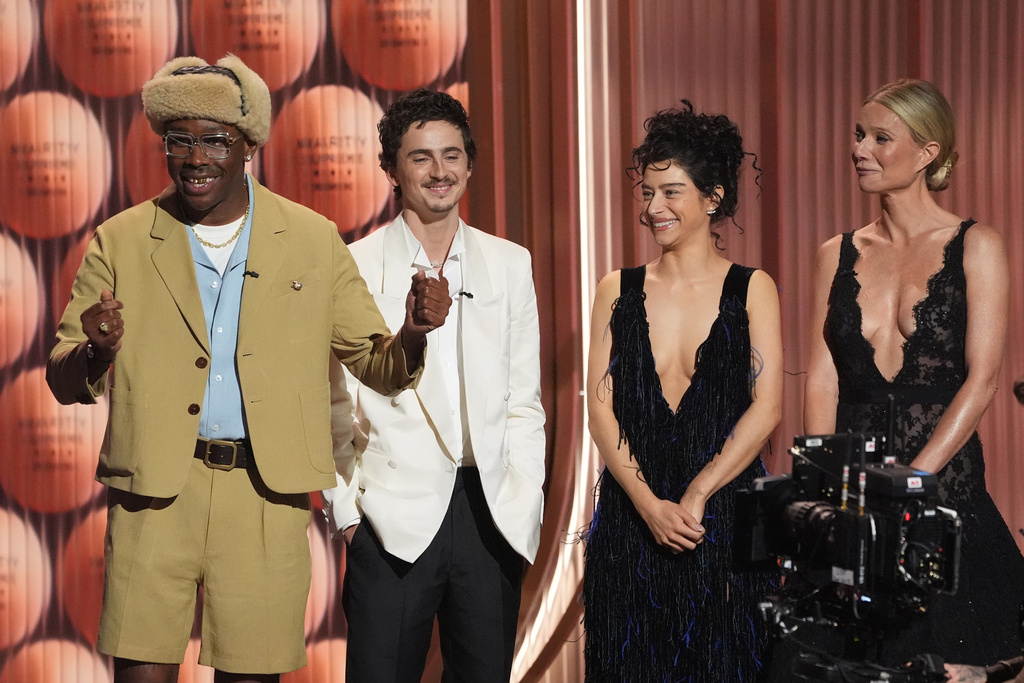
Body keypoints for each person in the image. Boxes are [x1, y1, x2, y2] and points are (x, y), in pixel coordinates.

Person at [46, 56, 449, 683]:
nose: (195, 157)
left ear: (249, 145)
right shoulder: (121, 239)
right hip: (153, 496)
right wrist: (97, 351)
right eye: (179, 140)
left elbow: (382, 366)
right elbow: (62, 378)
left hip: (267, 493)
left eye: (214, 140)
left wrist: (415, 335)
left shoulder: (312, 239)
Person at [321, 89, 546, 682]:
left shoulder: (509, 263)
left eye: (451, 156)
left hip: (490, 513)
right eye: (420, 157)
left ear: (470, 164)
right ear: (392, 168)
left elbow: (525, 400)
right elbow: (332, 403)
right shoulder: (354, 264)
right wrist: (348, 512)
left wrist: (524, 497)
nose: (439, 172)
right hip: (389, 517)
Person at [803, 78, 1024, 666]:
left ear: (928, 153)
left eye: (880, 137)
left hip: (943, 496)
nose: (860, 150)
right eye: (857, 135)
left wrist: (913, 482)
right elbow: (823, 378)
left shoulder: (977, 245)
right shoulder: (837, 252)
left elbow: (982, 380)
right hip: (850, 502)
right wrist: (828, 485)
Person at [582, 100, 782, 681]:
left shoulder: (753, 288)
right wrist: (649, 507)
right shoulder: (615, 288)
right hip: (628, 526)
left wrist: (696, 495)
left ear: (713, 196)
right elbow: (600, 408)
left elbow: (766, 407)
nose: (653, 208)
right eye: (647, 193)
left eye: (671, 192)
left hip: (719, 522)